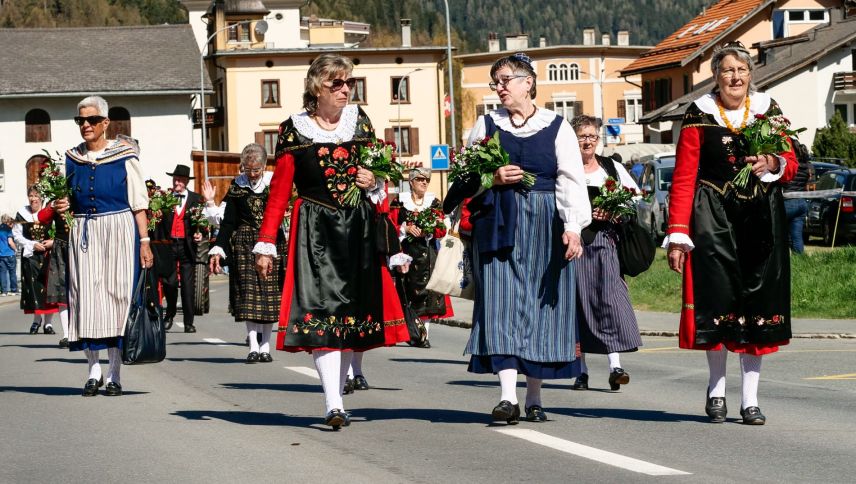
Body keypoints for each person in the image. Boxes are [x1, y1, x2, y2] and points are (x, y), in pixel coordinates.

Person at [254, 53, 410, 429]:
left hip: (358, 229)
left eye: (348, 83)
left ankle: (338, 398)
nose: (344, 90)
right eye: (335, 84)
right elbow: (279, 192)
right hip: (315, 231)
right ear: (316, 88)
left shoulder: (362, 123)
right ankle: (333, 403)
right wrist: (266, 242)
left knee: (349, 319)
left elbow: (381, 177)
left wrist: (374, 183)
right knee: (322, 315)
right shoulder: (294, 129)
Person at [664, 42, 797, 425]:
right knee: (719, 302)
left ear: (751, 74)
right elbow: (685, 177)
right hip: (713, 218)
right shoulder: (699, 115)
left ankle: (751, 400)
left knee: (757, 306)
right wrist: (677, 234)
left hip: (760, 219)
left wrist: (773, 161)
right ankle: (717, 389)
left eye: (741, 70)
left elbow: (790, 163)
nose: (735, 77)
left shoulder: (767, 111)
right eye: (727, 71)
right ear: (716, 76)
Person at [454, 52, 591, 424]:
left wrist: (573, 227)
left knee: (542, 307)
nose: (499, 88)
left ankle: (534, 396)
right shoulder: (485, 125)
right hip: (499, 220)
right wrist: (492, 178)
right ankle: (506, 397)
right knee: (500, 303)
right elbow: (463, 180)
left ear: (527, 82)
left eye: (505, 80)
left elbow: (572, 180)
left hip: (547, 222)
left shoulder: (557, 126)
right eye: (495, 82)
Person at [53, 95, 152, 397]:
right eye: (81, 120)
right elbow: (67, 197)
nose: (86, 125)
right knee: (85, 297)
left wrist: (145, 242)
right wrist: (62, 205)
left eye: (92, 120)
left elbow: (138, 203)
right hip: (84, 230)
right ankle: (93, 370)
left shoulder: (125, 155)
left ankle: (114, 373)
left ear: (106, 123)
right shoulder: (72, 157)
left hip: (120, 229)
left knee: (118, 298)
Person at [569, 114, 642, 392]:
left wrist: (614, 210)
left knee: (610, 299)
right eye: (582, 136)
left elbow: (634, 198)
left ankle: (615, 366)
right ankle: (581, 370)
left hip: (605, 242)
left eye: (592, 136)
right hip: (574, 244)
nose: (587, 141)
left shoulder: (610, 167)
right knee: (578, 304)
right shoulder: (565, 169)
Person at [209, 143, 286, 363]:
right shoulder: (237, 186)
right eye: (247, 169)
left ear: (263, 167)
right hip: (244, 244)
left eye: (256, 170)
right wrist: (219, 247)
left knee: (269, 297)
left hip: (271, 242)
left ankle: (266, 346)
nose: (251, 174)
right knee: (248, 295)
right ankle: (253, 345)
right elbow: (229, 222)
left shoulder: (274, 183)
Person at [390, 166, 453, 349]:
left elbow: (442, 230)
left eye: (426, 179)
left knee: (429, 295)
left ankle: (423, 335)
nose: (424, 182)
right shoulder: (399, 203)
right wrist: (405, 229)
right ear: (411, 182)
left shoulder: (434, 203)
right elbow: (389, 226)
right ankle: (409, 332)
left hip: (429, 254)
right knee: (408, 294)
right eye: (420, 179)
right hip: (406, 256)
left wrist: (431, 229)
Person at [158, 164, 203, 333]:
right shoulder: (164, 199)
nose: (177, 182)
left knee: (187, 286)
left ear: (186, 182)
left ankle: (189, 322)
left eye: (180, 180)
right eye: (175, 179)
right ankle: (169, 314)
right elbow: (160, 224)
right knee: (169, 282)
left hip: (187, 245)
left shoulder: (196, 199)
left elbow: (202, 223)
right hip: (170, 245)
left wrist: (201, 234)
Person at [13, 187, 58, 334]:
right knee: (34, 288)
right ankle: (36, 320)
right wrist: (32, 244)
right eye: (31, 196)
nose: (33, 199)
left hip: (47, 255)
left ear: (41, 198)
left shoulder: (49, 213)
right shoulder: (22, 214)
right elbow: (17, 236)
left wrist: (51, 241)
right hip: (31, 256)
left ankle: (48, 323)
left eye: (36, 196)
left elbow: (59, 231)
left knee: (48, 289)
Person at [35, 202, 72, 348]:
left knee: (81, 292)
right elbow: (42, 217)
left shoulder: (79, 194)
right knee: (61, 292)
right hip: (61, 249)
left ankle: (83, 331)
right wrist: (53, 206)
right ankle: (67, 335)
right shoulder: (56, 200)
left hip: (81, 249)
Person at [783, 142, 813, 254]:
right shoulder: (807, 168)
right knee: (797, 236)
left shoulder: (790, 165)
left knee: (781, 234)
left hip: (787, 202)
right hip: (801, 202)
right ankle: (799, 259)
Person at [0, 214, 19, 297]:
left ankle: (4, 291)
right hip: (10, 254)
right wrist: (15, 249)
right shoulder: (8, 229)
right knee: (12, 272)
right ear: (8, 221)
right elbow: (10, 242)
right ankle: (14, 290)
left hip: (1, 255)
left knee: (2, 273)